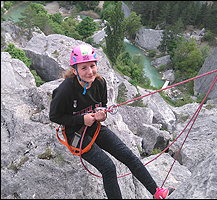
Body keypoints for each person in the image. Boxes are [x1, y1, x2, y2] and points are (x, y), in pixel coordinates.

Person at [49, 43, 175, 199]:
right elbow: (54, 116)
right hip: (75, 134)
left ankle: (156, 192)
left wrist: (102, 115)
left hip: (93, 128)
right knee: (108, 168)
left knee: (128, 155)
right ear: (74, 70)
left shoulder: (100, 83)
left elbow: (100, 108)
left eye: (92, 66)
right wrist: (81, 119)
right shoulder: (65, 90)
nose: (90, 71)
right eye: (84, 68)